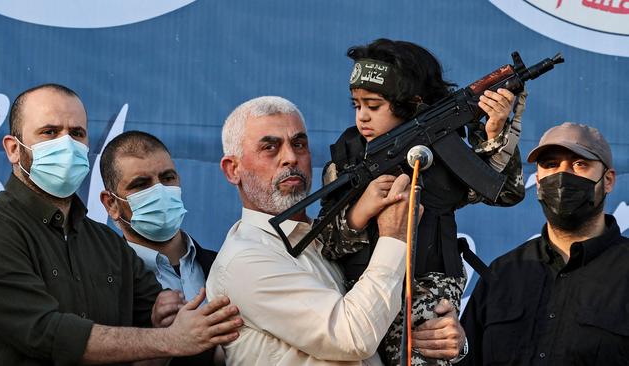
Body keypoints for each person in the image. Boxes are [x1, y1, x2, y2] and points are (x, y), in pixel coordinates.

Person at [0, 83, 242, 365]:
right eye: (49, 132)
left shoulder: (107, 243)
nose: (66, 144)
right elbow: (46, 332)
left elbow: (160, 314)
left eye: (77, 133)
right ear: (13, 149)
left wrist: (165, 313)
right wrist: (169, 339)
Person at [207, 95, 463, 365]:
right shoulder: (245, 259)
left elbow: (381, 323)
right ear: (232, 169)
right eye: (270, 147)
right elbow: (353, 337)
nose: (290, 158)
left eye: (299, 144)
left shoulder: (331, 237)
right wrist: (394, 236)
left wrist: (442, 335)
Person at [317, 39, 525, 365]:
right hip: (357, 299)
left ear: (409, 103)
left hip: (428, 297)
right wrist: (360, 211)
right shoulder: (348, 159)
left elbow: (505, 192)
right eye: (357, 106)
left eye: (374, 106)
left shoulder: (444, 155)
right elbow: (323, 244)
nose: (363, 118)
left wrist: (495, 133)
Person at [459, 122, 627, 365]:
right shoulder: (502, 274)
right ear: (538, 181)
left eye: (580, 164)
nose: (562, 175)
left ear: (608, 180)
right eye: (551, 165)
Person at [99, 130, 222, 365]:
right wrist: (161, 339)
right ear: (111, 203)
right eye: (141, 184)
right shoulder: (101, 283)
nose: (160, 191)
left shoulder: (224, 265)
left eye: (167, 178)